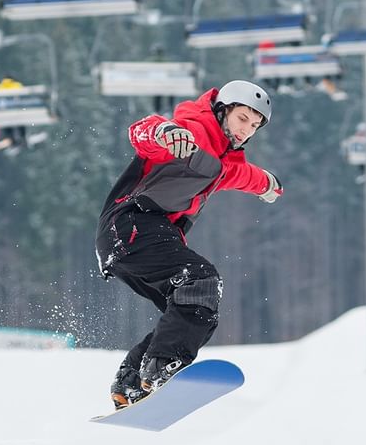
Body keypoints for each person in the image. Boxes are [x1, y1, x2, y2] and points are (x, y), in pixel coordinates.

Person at [95, 80, 282, 410]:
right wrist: (165, 132)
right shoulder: (190, 132)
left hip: (144, 236)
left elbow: (243, 175)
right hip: (131, 224)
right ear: (222, 110)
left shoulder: (224, 164)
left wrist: (267, 183)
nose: (246, 131)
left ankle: (133, 382)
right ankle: (159, 370)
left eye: (254, 126)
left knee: (197, 312)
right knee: (200, 282)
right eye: (242, 119)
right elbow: (141, 132)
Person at [0, 75, 28, 152]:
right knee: (20, 121)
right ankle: (22, 137)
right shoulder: (17, 85)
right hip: (17, 111)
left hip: (5, 113)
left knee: (6, 122)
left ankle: (11, 139)